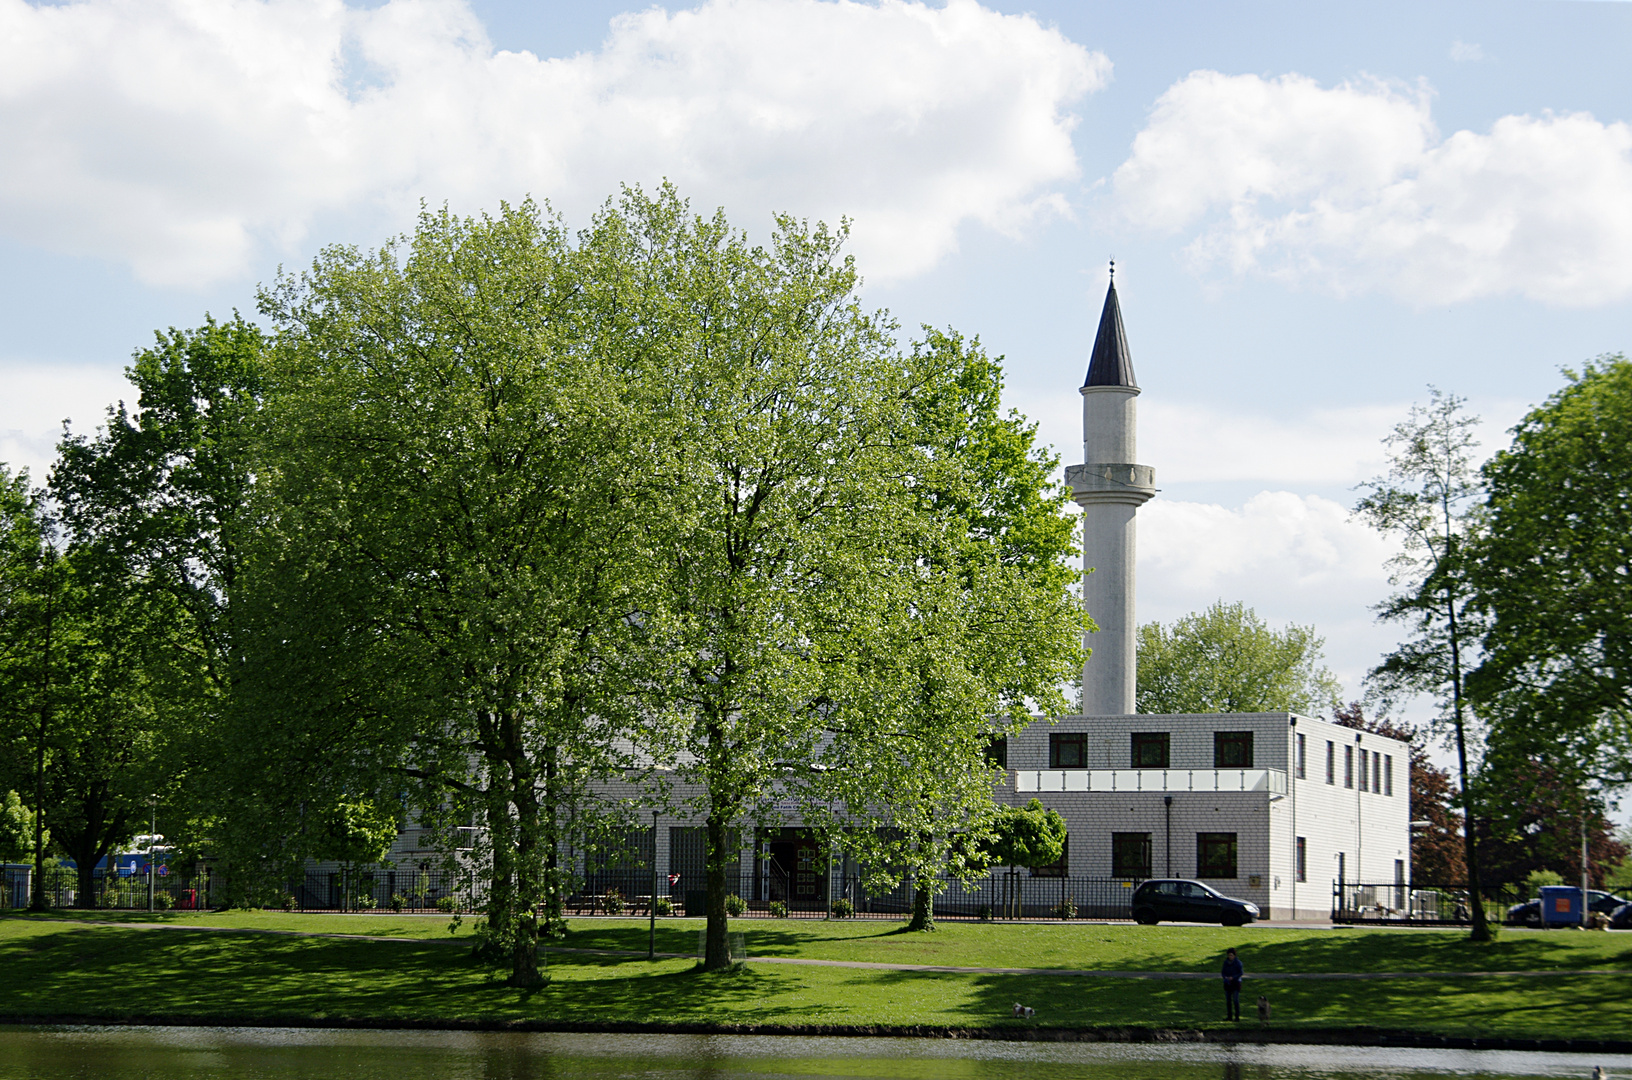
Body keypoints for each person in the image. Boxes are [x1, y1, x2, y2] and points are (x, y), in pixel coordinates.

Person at [1221, 947, 1244, 1021]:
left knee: (1235, 1000)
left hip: (1235, 983)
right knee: (1228, 1001)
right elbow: (1223, 972)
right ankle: (1229, 1016)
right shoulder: (1226, 963)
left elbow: (1240, 973)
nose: (1230, 957)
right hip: (1228, 984)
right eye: (1229, 955)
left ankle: (1237, 1016)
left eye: (1231, 955)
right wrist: (1225, 977)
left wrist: (1233, 977)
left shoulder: (1238, 963)